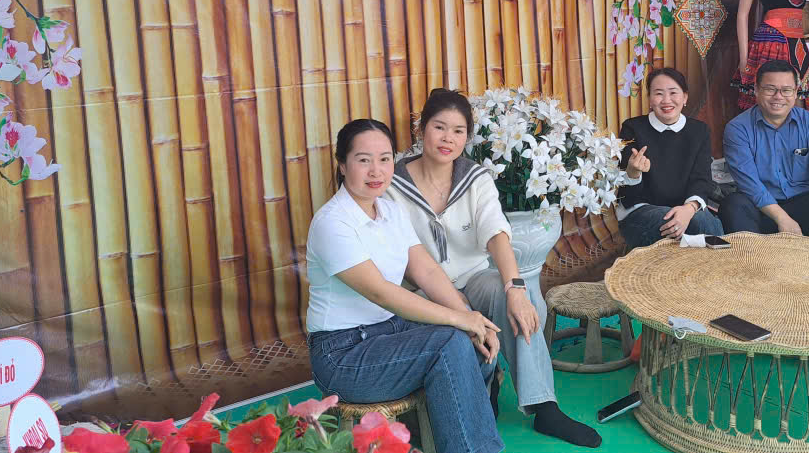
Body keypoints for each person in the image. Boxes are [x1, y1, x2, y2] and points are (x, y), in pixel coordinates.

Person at [384, 90, 601, 449]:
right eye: (439, 127)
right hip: (421, 291)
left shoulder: (475, 177)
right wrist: (463, 312)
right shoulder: (393, 184)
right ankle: (485, 388)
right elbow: (410, 261)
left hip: (473, 277)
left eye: (458, 131)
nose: (448, 138)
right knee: (455, 330)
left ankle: (545, 407)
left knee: (519, 301)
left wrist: (515, 289)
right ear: (421, 130)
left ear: (467, 137)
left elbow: (496, 232)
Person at [306, 119, 505, 453]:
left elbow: (426, 270)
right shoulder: (332, 223)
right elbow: (382, 292)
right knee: (451, 340)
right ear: (342, 165)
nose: (376, 170)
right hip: (343, 355)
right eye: (363, 160)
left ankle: (455, 436)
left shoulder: (390, 210)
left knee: (473, 341)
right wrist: (460, 319)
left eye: (385, 159)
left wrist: (471, 317)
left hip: (390, 331)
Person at [719, 60, 809, 237]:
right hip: (760, 208)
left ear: (795, 92)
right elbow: (750, 184)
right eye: (770, 89)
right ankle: (753, 255)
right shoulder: (738, 128)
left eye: (786, 90)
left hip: (802, 202)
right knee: (733, 205)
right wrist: (782, 218)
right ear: (757, 90)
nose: (778, 96)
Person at [616, 68, 724, 247]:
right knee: (686, 224)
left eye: (673, 93)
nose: (666, 100)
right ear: (650, 99)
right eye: (658, 93)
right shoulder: (632, 128)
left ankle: (714, 262)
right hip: (641, 210)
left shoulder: (699, 131)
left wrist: (689, 209)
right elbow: (629, 195)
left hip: (686, 209)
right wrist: (633, 172)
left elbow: (701, 179)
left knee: (706, 223)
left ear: (685, 97)